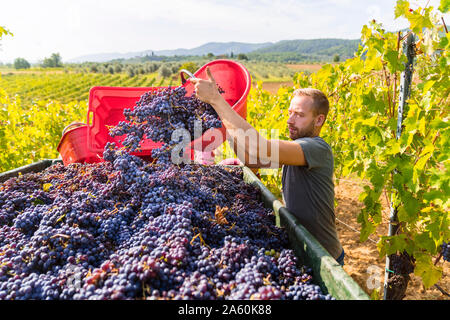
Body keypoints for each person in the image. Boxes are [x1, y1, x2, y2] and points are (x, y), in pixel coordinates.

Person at [190, 67, 345, 266]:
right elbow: (252, 160)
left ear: (319, 120)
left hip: (325, 255)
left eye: (299, 115)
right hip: (304, 246)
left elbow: (260, 148)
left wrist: (217, 100)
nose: (290, 120)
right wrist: (227, 123)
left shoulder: (316, 148)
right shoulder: (296, 150)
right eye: (289, 113)